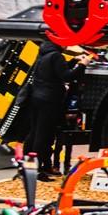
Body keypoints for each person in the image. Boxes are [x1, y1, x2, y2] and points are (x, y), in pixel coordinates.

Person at [23, 40, 90, 180]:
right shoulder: (56, 56)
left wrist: (73, 61)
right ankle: (37, 169)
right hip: (49, 100)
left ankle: (29, 167)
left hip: (37, 98)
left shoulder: (44, 53)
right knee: (44, 136)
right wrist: (82, 65)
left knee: (34, 133)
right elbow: (67, 76)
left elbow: (57, 71)